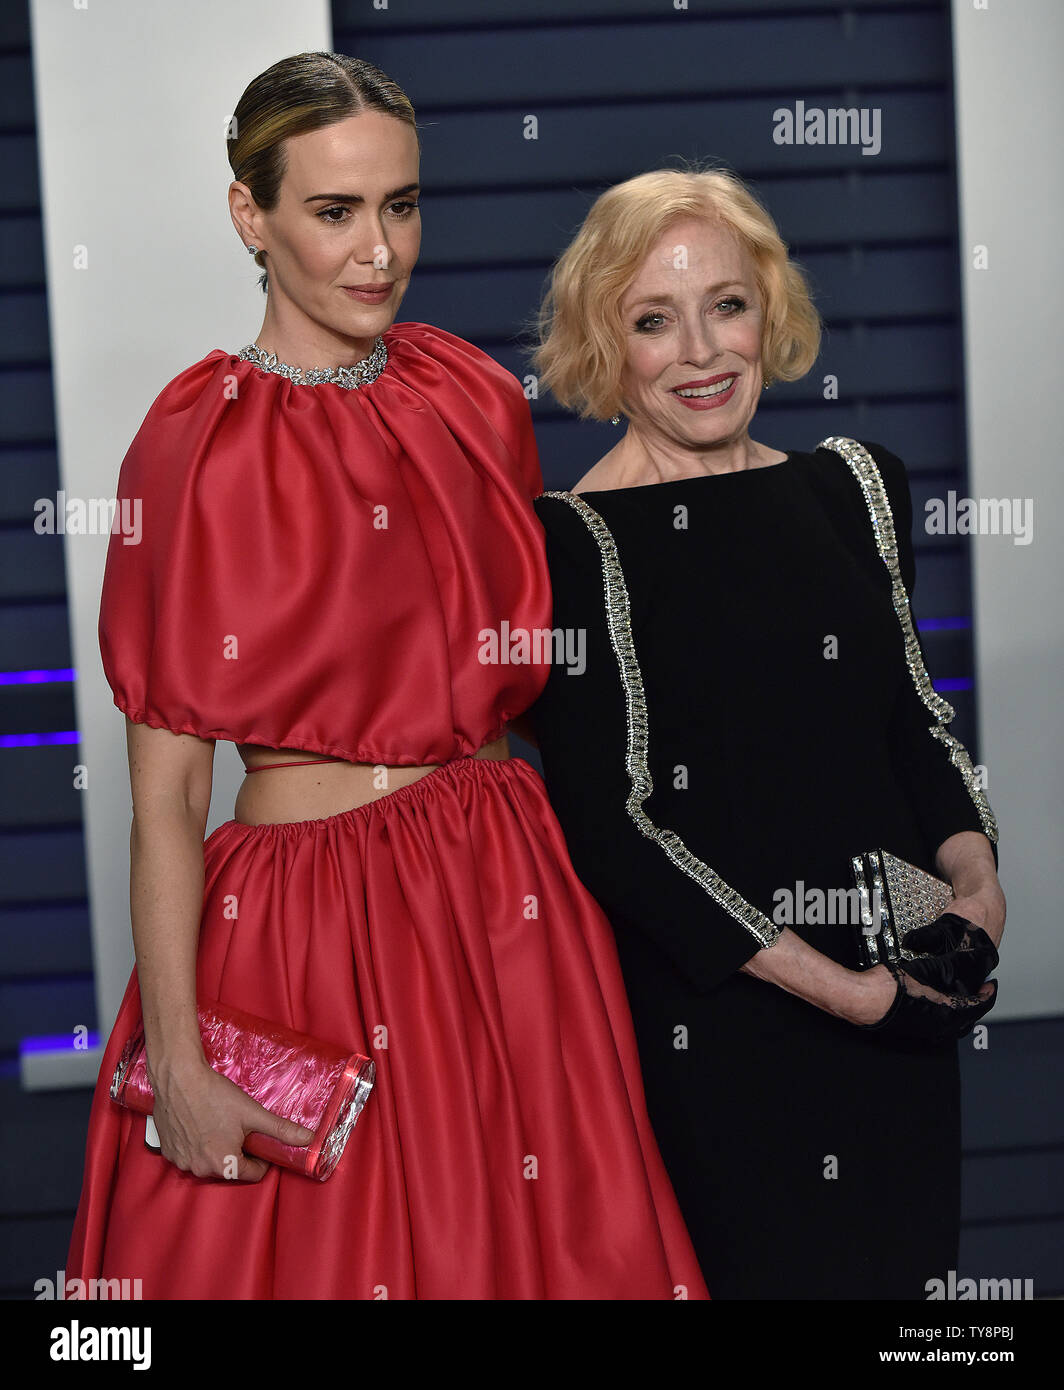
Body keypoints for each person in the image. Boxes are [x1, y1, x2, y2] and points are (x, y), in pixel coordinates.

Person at [64, 55, 709, 1301]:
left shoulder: (467, 394)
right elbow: (161, 804)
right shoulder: (189, 448)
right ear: (250, 216)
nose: (377, 251)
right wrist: (183, 1064)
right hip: (303, 928)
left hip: (501, 891)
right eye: (334, 211)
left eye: (400, 206)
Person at [528, 166, 1005, 1300]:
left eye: (724, 305)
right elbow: (619, 828)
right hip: (729, 1037)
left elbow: (915, 720)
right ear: (608, 344)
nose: (699, 350)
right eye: (653, 320)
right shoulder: (569, 546)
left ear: (768, 310)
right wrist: (841, 992)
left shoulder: (855, 487)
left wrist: (974, 882)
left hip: (904, 1003)